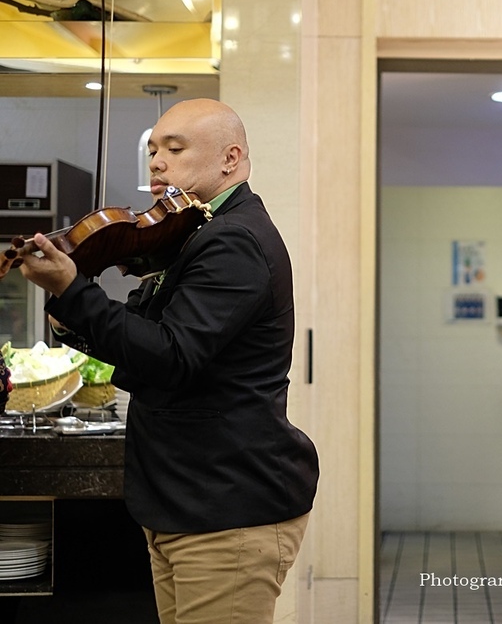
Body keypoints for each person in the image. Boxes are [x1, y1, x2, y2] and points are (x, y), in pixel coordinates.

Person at [15, 98, 319, 624]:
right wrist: (71, 317)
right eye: (153, 149)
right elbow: (143, 347)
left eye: (174, 149)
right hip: (187, 504)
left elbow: (173, 356)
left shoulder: (234, 240)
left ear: (231, 158)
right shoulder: (189, 233)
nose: (156, 161)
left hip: (227, 513)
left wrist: (73, 289)